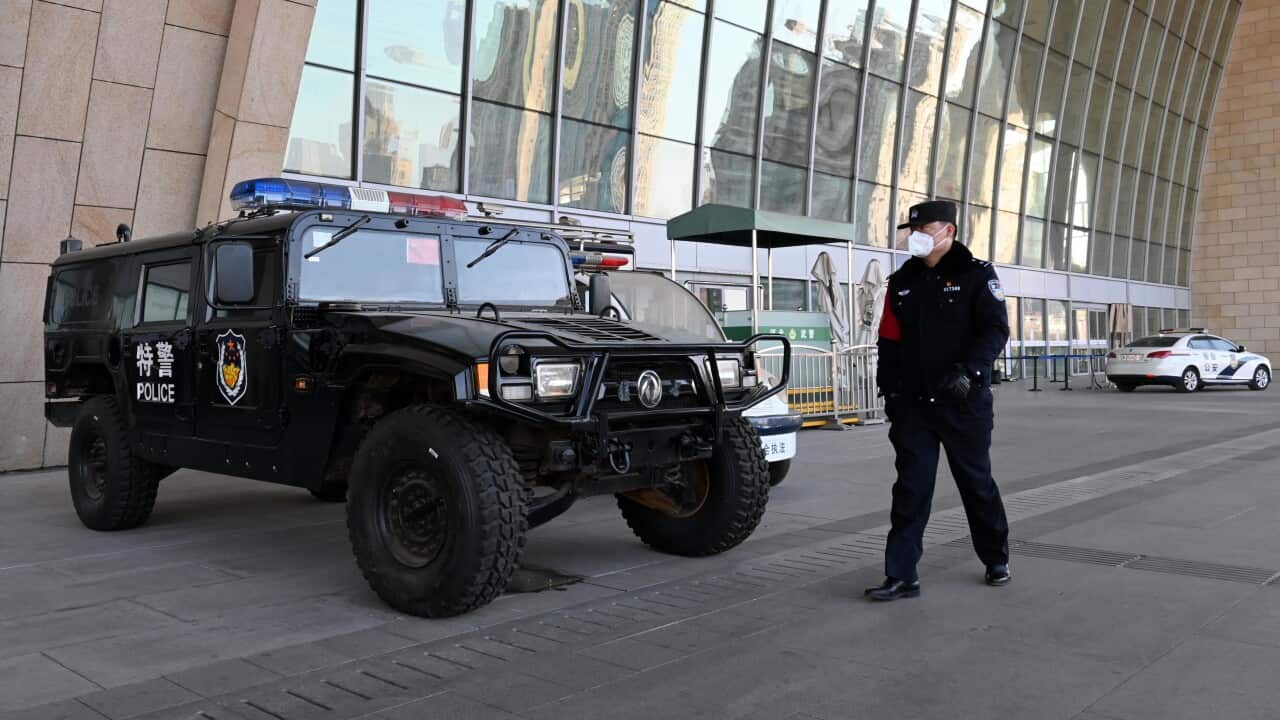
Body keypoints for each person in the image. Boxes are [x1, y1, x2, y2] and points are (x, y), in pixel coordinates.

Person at [865, 200, 1012, 602]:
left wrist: (971, 372)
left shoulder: (977, 275)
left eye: (923, 229)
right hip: (913, 406)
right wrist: (890, 391)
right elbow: (888, 339)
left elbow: (996, 330)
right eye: (911, 230)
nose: (914, 237)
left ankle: (995, 557)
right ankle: (901, 575)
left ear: (948, 231)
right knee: (910, 489)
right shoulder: (902, 280)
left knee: (976, 484)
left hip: (963, 403)